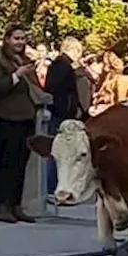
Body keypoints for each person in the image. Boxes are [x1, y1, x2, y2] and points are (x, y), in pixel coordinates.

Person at [0, 25, 49, 223]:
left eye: (22, 38)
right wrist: (16, 75)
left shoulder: (26, 61)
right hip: (5, 118)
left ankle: (16, 204)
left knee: (21, 163)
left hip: (26, 117)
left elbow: (35, 87)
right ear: (7, 39)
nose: (20, 42)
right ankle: (2, 205)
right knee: (6, 163)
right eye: (16, 38)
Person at [43, 37, 88, 197]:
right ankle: (51, 187)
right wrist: (71, 109)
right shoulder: (64, 67)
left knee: (56, 152)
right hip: (62, 114)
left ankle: (50, 186)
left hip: (58, 111)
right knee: (59, 153)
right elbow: (64, 92)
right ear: (73, 50)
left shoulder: (57, 66)